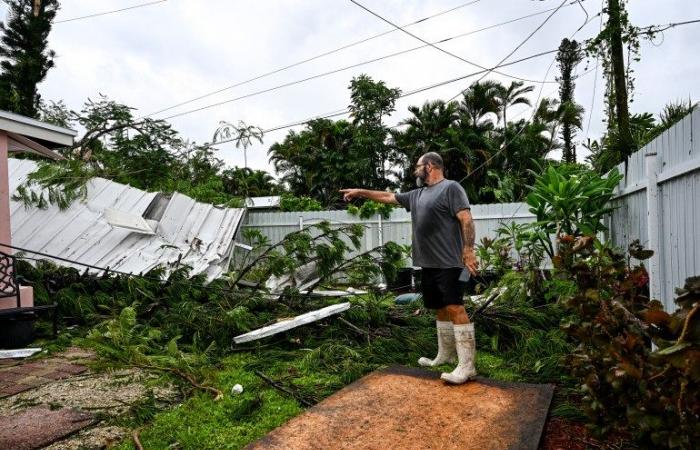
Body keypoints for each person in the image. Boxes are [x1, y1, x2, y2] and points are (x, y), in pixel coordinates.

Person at [340, 152, 478, 384]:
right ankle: (444, 355)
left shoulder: (451, 188)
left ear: (430, 166)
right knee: (439, 308)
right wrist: (360, 192)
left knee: (455, 307)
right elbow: (387, 196)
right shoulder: (417, 195)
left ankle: (467, 366)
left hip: (450, 262)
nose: (415, 170)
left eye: (418, 166)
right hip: (429, 263)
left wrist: (469, 250)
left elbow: (466, 218)